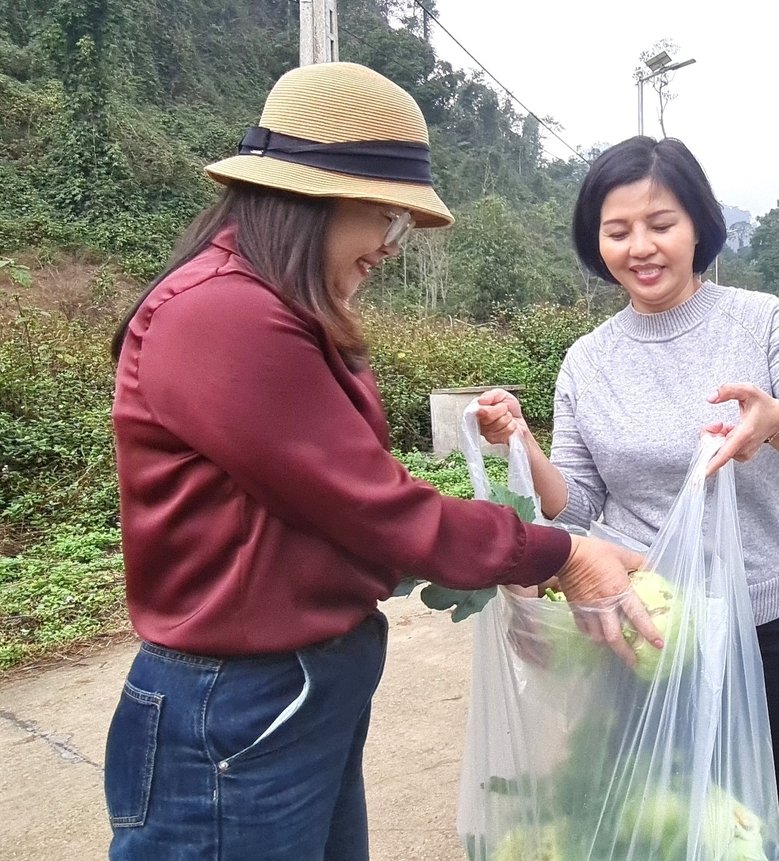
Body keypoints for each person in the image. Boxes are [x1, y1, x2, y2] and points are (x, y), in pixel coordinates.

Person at [103, 62, 657, 861]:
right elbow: (373, 507)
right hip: (239, 705)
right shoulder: (223, 315)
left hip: (294, 693)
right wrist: (560, 551)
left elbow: (346, 498)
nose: (393, 246)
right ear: (319, 194)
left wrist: (500, 550)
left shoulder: (275, 309)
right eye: (390, 220)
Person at [476, 136, 779, 861]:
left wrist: (776, 423)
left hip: (753, 619)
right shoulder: (588, 359)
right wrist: (522, 443)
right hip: (635, 625)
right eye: (617, 231)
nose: (640, 247)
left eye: (661, 223)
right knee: (639, 816)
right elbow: (577, 503)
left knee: (769, 812)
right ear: (597, 242)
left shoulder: (759, 321)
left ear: (698, 225)